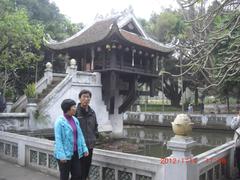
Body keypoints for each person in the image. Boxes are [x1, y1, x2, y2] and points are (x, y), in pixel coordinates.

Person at [54, 99, 89, 180]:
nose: (75, 108)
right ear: (68, 109)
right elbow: (58, 140)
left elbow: (80, 136)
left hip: (76, 153)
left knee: (77, 175)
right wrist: (61, 155)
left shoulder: (75, 119)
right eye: (73, 107)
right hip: (65, 154)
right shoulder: (59, 122)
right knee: (64, 176)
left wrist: (84, 148)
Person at [75, 89, 98, 180]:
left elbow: (95, 126)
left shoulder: (92, 113)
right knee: (78, 169)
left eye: (88, 97)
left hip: (90, 145)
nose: (86, 99)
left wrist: (94, 136)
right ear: (80, 98)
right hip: (79, 146)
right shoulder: (75, 112)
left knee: (87, 168)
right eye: (84, 96)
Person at [231, 109, 240, 177]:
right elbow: (233, 127)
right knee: (238, 157)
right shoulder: (235, 118)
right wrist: (239, 118)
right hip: (238, 142)